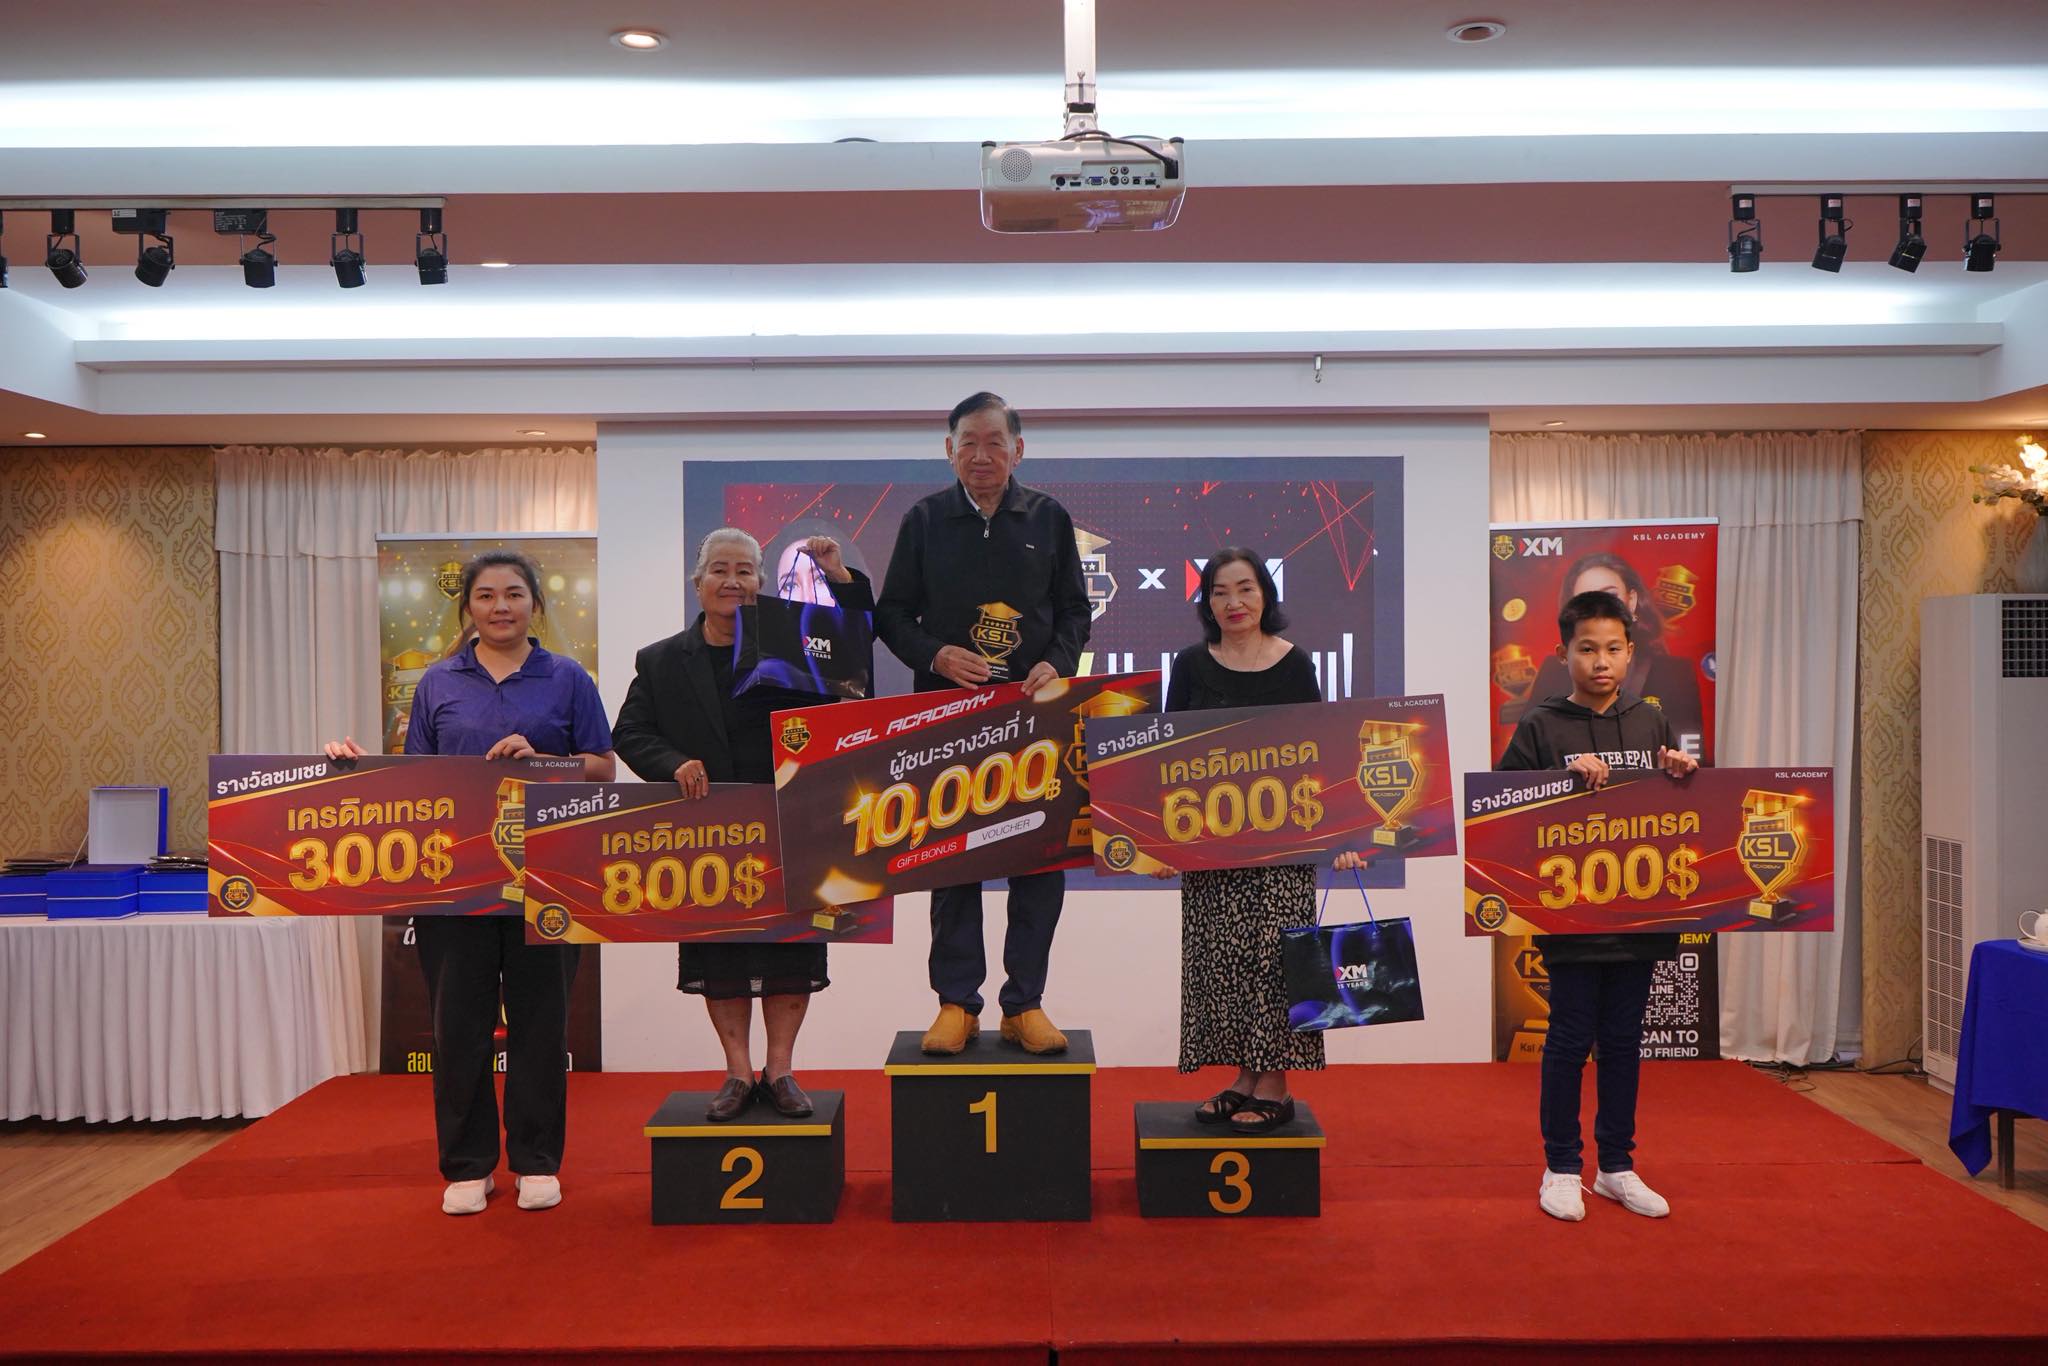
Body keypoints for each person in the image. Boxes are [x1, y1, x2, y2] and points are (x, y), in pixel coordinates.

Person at [325, 549, 614, 1217]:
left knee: (541, 1028)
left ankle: (537, 1161)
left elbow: (603, 768)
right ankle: (467, 1165)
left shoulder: (568, 678)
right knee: (459, 1029)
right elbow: (415, 783)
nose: (500, 606)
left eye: (514, 594)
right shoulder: (437, 682)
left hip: (547, 878)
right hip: (455, 884)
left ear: (535, 604)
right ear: (469, 608)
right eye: (486, 596)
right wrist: (350, 769)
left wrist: (542, 760)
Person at [612, 529, 872, 1121]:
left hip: (792, 826)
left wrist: (839, 579)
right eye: (720, 570)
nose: (732, 581)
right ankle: (736, 1071)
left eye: (745, 571)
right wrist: (672, 763)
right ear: (698, 583)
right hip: (708, 836)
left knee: (791, 953)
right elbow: (630, 732)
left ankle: (780, 1071)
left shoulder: (794, 643)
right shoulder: (660, 660)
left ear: (761, 583)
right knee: (721, 958)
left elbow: (854, 649)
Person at [874, 391, 1092, 1055]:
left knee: (1038, 863)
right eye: (968, 442)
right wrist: (936, 654)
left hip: (1034, 717)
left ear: (1017, 450)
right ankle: (955, 1004)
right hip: (948, 717)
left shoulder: (1049, 518)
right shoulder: (924, 520)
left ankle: (1025, 1004)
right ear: (949, 450)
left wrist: (1058, 663)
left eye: (994, 442)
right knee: (949, 864)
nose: (981, 455)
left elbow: (1075, 612)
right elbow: (891, 616)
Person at [1497, 588, 1699, 1223]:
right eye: (1587, 649)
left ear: (1631, 652)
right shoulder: (1540, 724)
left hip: (1638, 914)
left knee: (1622, 1042)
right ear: (1563, 654)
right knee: (1568, 1039)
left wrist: (1682, 775)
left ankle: (1616, 1166)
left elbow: (1679, 816)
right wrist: (1559, 779)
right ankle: (1561, 1167)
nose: (1601, 661)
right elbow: (1498, 809)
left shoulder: (1650, 721)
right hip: (1570, 915)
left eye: (1613, 649)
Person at [1154, 550, 1326, 1133]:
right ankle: (1244, 1079)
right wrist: (1161, 844)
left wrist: (1344, 835)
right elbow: (1167, 759)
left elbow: (1321, 755)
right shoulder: (1189, 665)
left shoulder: (1295, 664)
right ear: (1207, 602)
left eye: (1246, 588)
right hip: (1211, 849)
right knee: (1223, 961)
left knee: (1275, 962)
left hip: (1282, 848)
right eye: (1220, 591)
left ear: (1265, 596)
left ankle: (1276, 1086)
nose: (1234, 602)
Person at [1520, 552, 1705, 755]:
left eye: (1610, 596)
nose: (1599, 610)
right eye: (1585, 601)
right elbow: (1522, 767)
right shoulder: (1552, 677)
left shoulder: (1672, 679)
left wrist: (1674, 767)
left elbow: (1688, 755)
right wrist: (1566, 768)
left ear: (1632, 600)